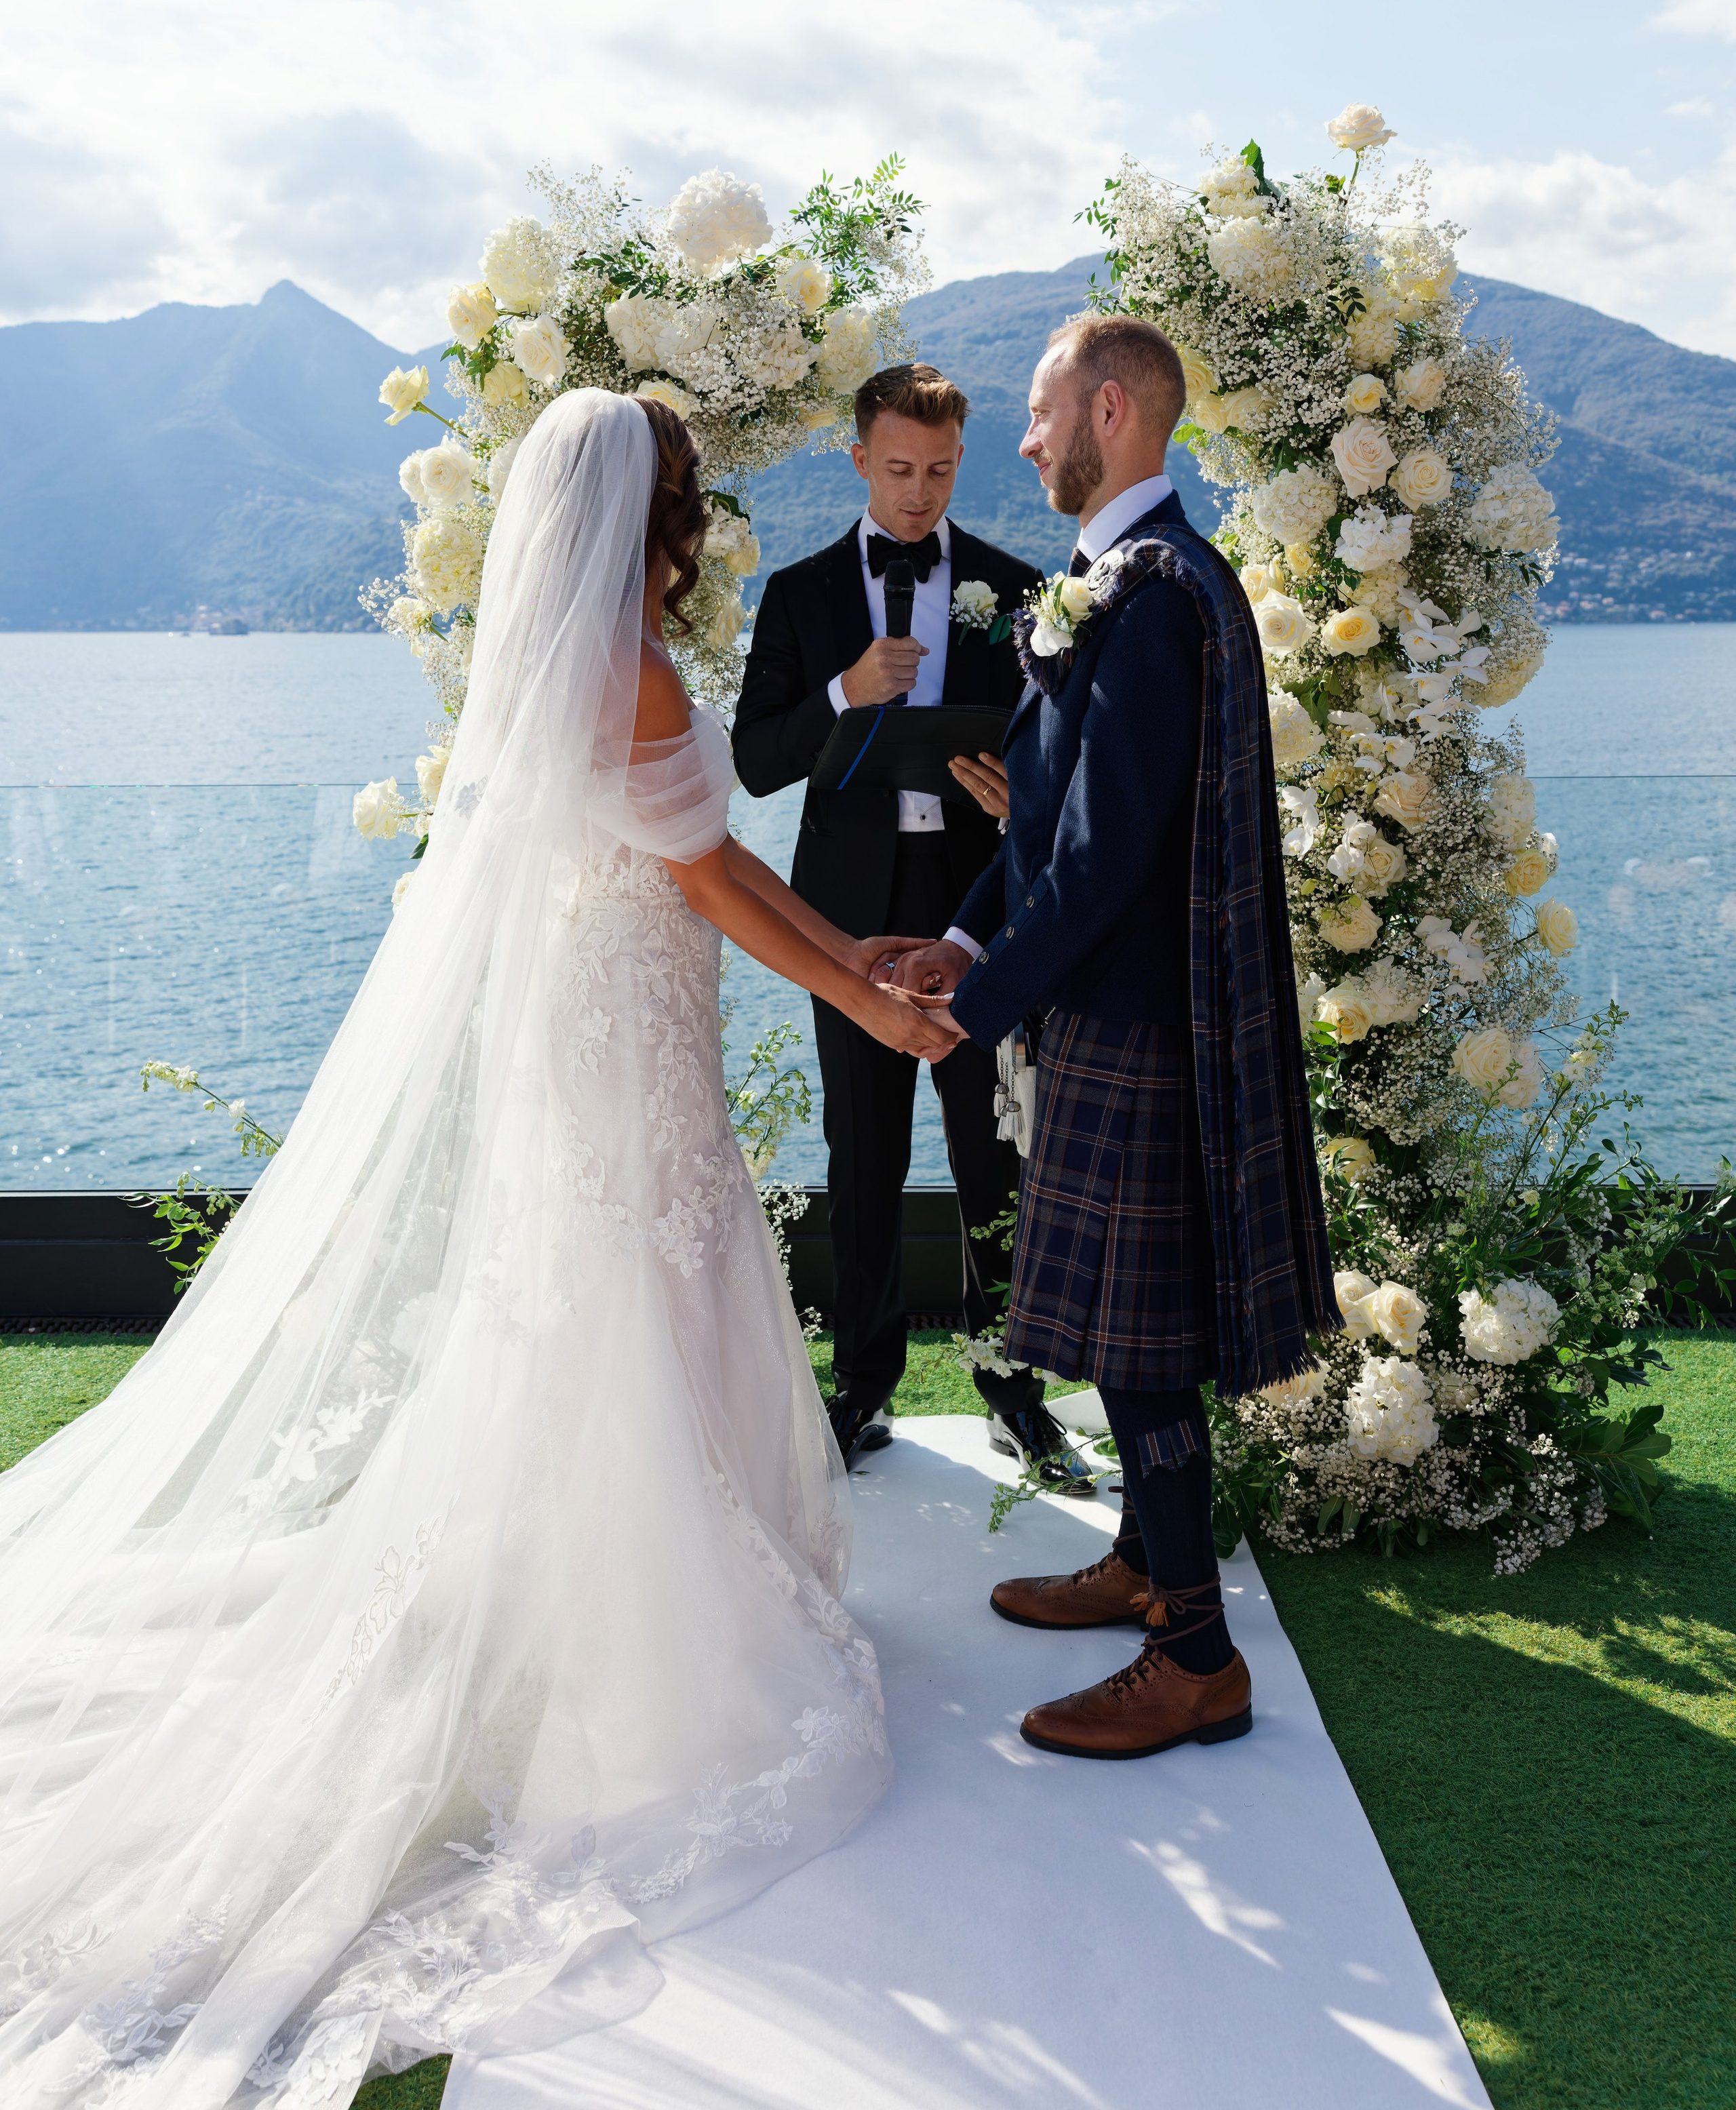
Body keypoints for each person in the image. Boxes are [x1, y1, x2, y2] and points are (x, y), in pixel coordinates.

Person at [0, 390, 953, 2101]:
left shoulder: (542, 670)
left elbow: (710, 861)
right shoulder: (642, 675)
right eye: (692, 501)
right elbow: (713, 882)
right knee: (643, 1288)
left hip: (588, 1025)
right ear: (649, 517)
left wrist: (856, 949)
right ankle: (638, 1641)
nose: (705, 526)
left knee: (586, 1295)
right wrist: (860, 1000)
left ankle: (552, 1586)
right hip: (632, 1028)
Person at [887, 316, 1337, 1759]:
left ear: (1107, 408)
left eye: (1032, 414)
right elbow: (1042, 810)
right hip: (1106, 1001)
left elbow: (1104, 862)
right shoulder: (1116, 584)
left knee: (1142, 1345)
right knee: (1121, 1330)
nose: (1021, 445)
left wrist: (967, 1008)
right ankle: (1145, 1562)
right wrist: (958, 939)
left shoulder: (1151, 594)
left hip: (1136, 1014)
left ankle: (1193, 1652)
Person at [732, 363, 1091, 1491]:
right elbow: (750, 762)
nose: (919, 493)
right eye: (898, 470)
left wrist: (1017, 796)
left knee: (998, 1160)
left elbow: (1061, 765)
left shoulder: (1016, 583)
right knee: (864, 1153)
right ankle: (861, 1387)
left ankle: (1016, 1393)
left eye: (938, 472)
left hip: (980, 908)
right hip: (842, 916)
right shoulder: (797, 595)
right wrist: (842, 692)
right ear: (857, 461)